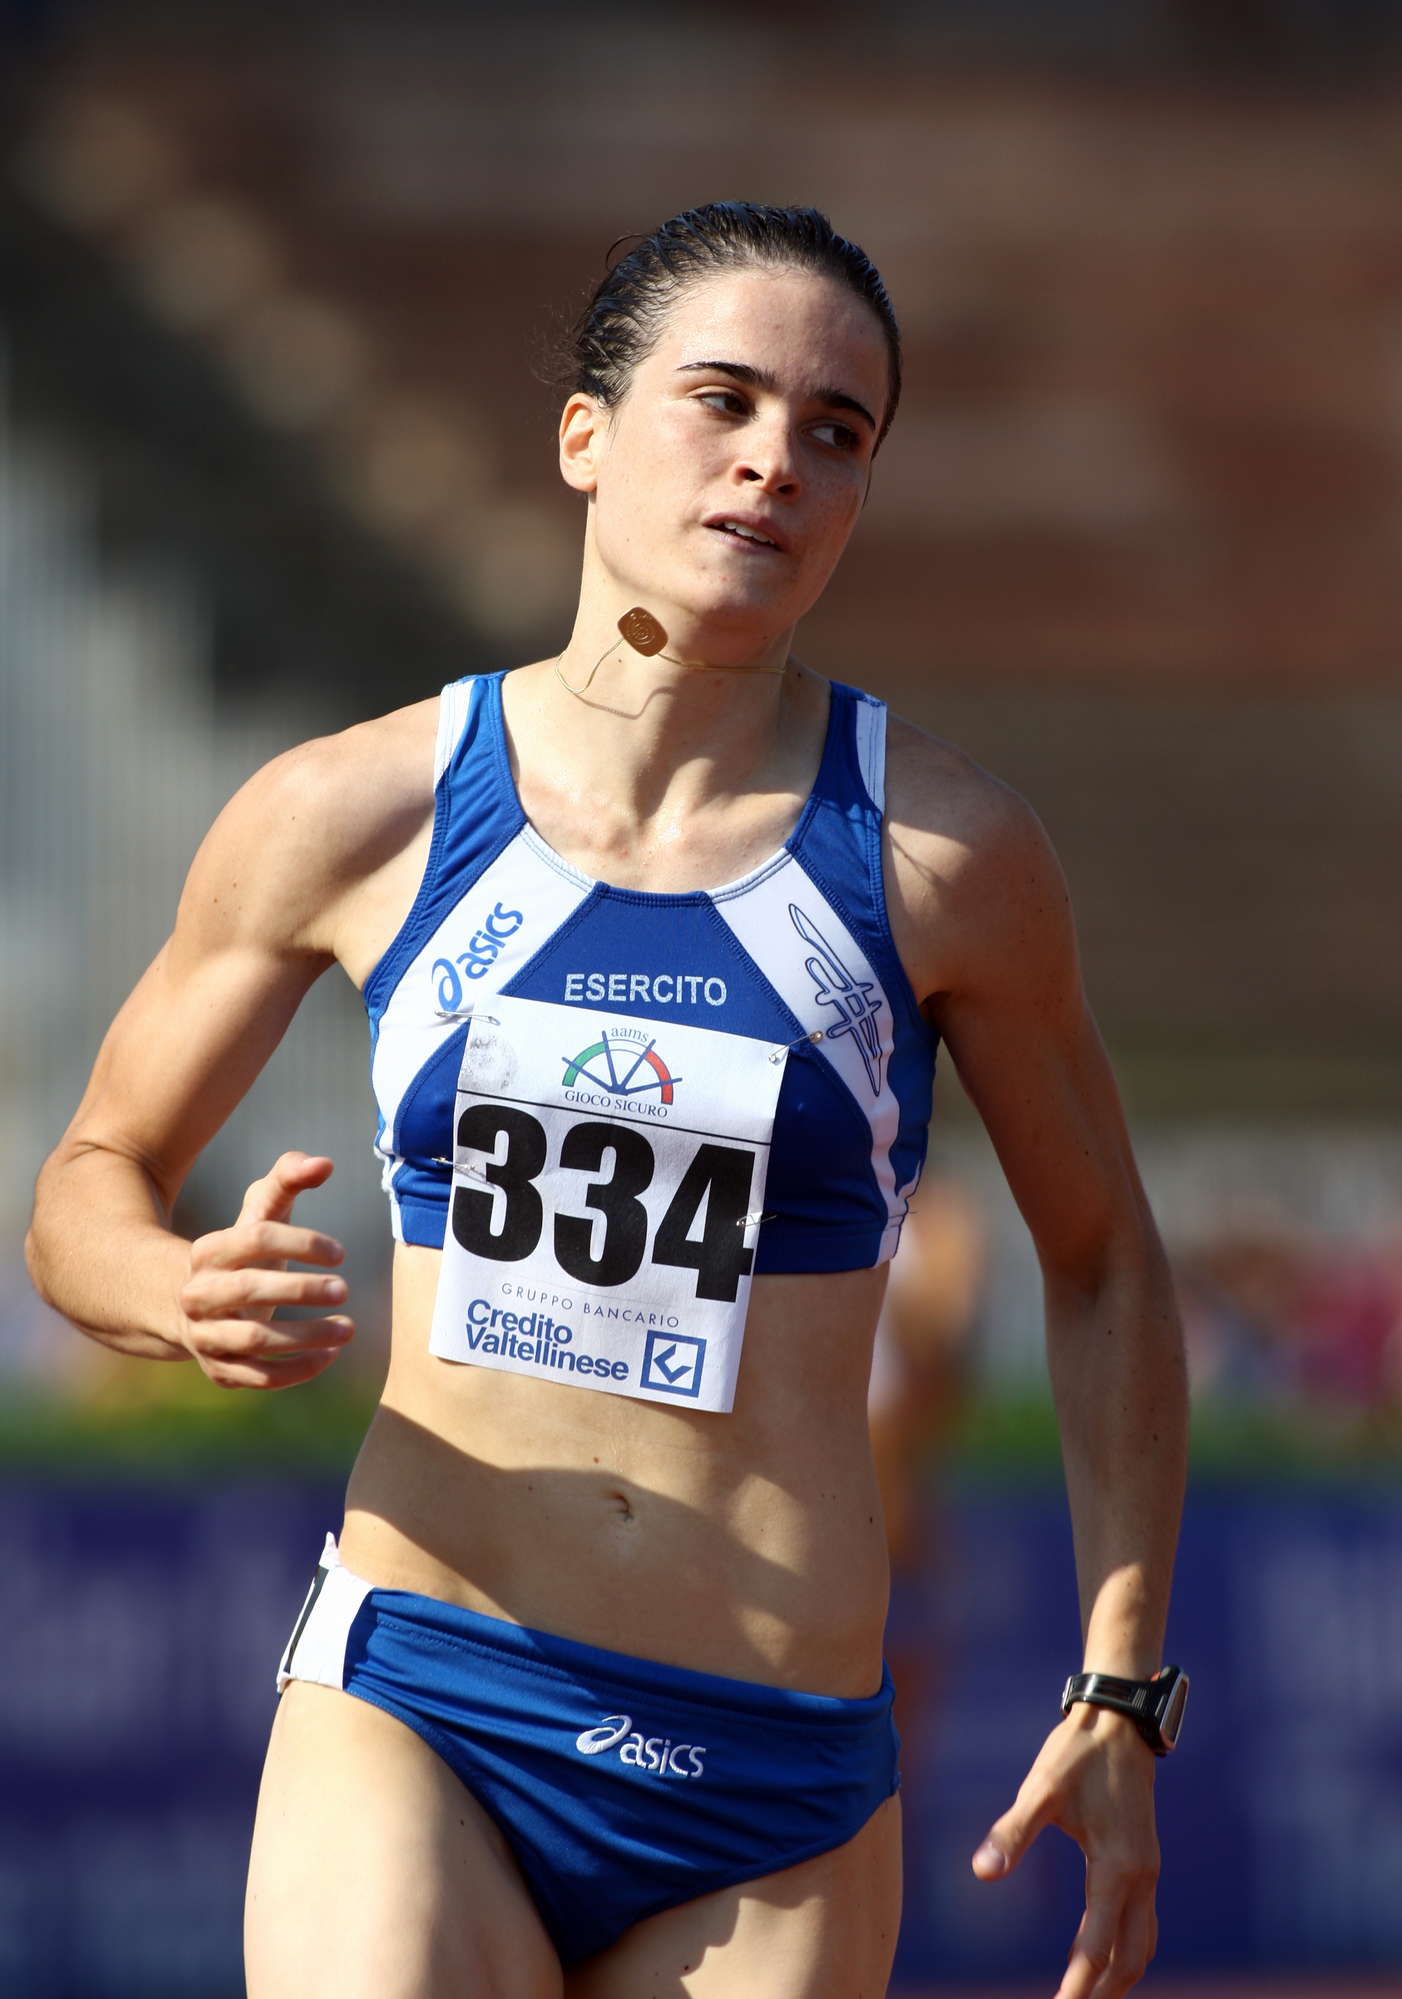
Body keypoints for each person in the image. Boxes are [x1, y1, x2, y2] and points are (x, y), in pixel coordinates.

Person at [26, 203, 1188, 1999]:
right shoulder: (355, 814)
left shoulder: (945, 861)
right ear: (583, 435)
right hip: (431, 1698)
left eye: (834, 432)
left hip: (773, 1789)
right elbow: (92, 1178)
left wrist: (1119, 1684)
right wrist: (170, 1289)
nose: (772, 462)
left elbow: (1103, 1262)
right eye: (721, 401)